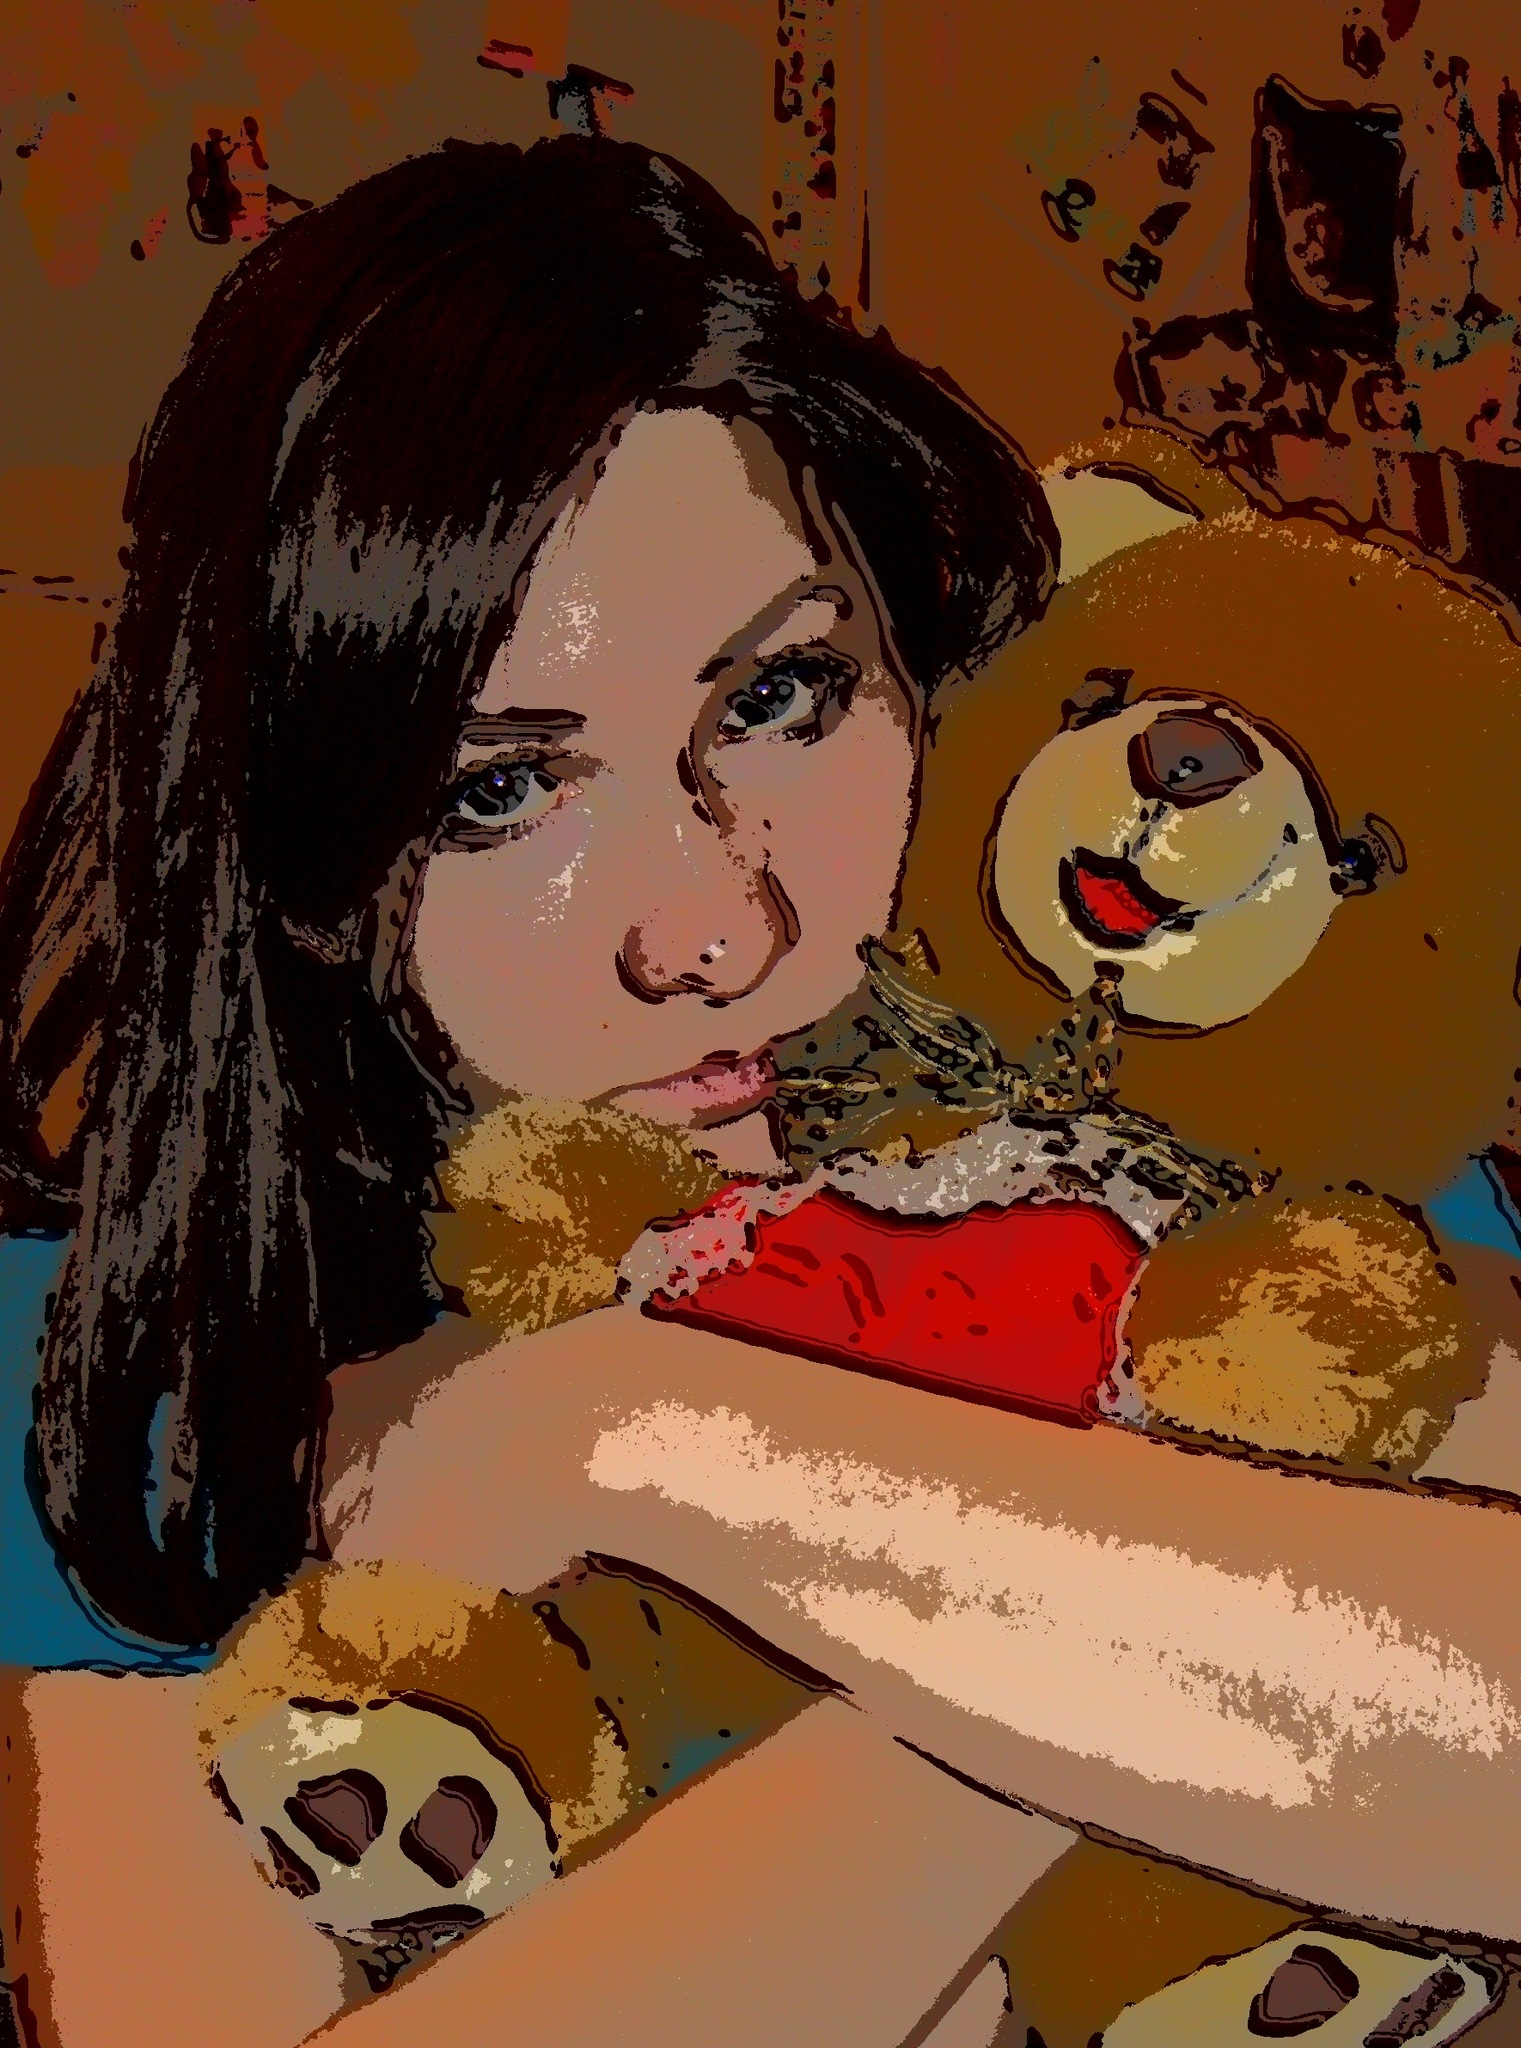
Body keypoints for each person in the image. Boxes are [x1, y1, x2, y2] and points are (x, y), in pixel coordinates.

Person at [0, 131, 1062, 2040]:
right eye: (500, 794)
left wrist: (645, 1447)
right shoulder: (119, 1389)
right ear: (317, 870)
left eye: (778, 699)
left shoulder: (1234, 1170)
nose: (711, 931)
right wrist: (1106, 1697)